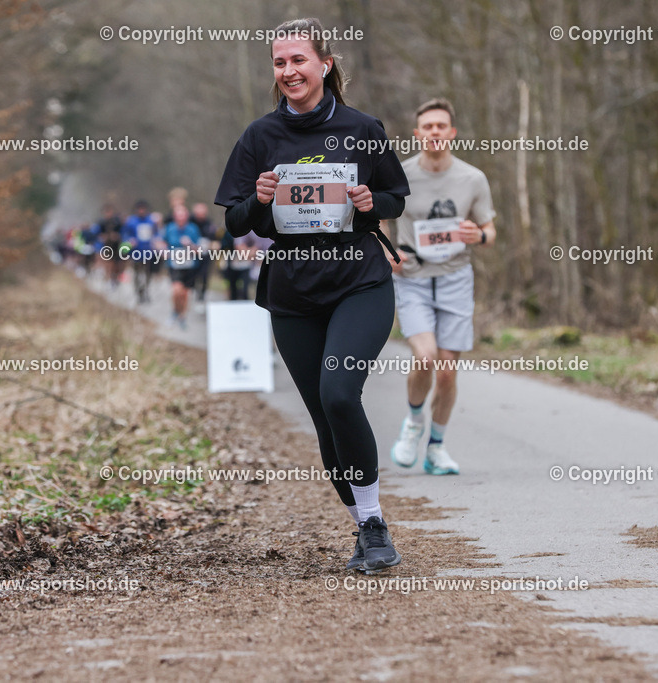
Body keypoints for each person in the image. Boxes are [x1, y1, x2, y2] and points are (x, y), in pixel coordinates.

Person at [215, 17, 409, 573]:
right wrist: (257, 200)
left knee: (341, 394)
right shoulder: (260, 137)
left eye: (298, 60)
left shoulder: (363, 127)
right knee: (325, 417)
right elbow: (234, 222)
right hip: (293, 292)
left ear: (325, 63)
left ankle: (374, 525)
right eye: (280, 63)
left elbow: (396, 197)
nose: (289, 71)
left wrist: (374, 202)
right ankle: (364, 525)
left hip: (359, 281)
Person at [386, 98, 496, 475]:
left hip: (455, 279)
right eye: (427, 127)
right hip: (413, 278)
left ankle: (435, 447)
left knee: (448, 371)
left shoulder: (472, 178)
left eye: (440, 126)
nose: (434, 132)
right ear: (418, 134)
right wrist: (388, 253)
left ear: (452, 133)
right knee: (426, 357)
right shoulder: (400, 175)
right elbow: (380, 219)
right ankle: (414, 421)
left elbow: (489, 229)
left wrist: (477, 234)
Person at [165, 204, 201, 328]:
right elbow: (162, 243)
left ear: (186, 216)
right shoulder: (169, 228)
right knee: (176, 291)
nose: (180, 218)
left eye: (182, 215)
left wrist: (190, 244)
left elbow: (199, 250)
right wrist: (163, 251)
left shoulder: (193, 229)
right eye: (178, 215)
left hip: (190, 265)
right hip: (174, 264)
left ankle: (182, 316)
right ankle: (175, 311)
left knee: (185, 294)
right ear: (174, 217)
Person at [121, 200, 162, 304]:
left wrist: (156, 242)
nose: (141, 211)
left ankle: (146, 291)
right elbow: (125, 235)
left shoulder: (151, 221)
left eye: (143, 209)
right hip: (136, 252)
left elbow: (157, 234)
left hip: (149, 252)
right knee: (137, 273)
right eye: (140, 209)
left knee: (148, 273)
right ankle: (138, 293)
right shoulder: (131, 222)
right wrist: (129, 242)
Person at [190, 202, 218, 310]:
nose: (201, 215)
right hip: (192, 254)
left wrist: (214, 244)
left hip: (206, 254)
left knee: (205, 275)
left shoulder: (209, 224)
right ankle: (194, 292)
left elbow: (215, 240)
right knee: (194, 275)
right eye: (198, 213)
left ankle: (202, 295)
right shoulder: (190, 223)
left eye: (203, 213)